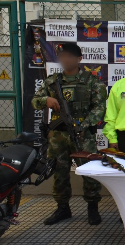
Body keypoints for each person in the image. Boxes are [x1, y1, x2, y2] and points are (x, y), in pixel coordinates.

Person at [31, 43, 108, 226]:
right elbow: (35, 101)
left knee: (89, 172)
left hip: (82, 135)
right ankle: (62, 208)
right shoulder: (52, 81)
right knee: (59, 172)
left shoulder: (92, 82)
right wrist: (46, 100)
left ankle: (93, 208)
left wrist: (82, 126)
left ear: (79, 59)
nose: (65, 60)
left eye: (69, 57)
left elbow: (99, 109)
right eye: (62, 57)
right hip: (58, 135)